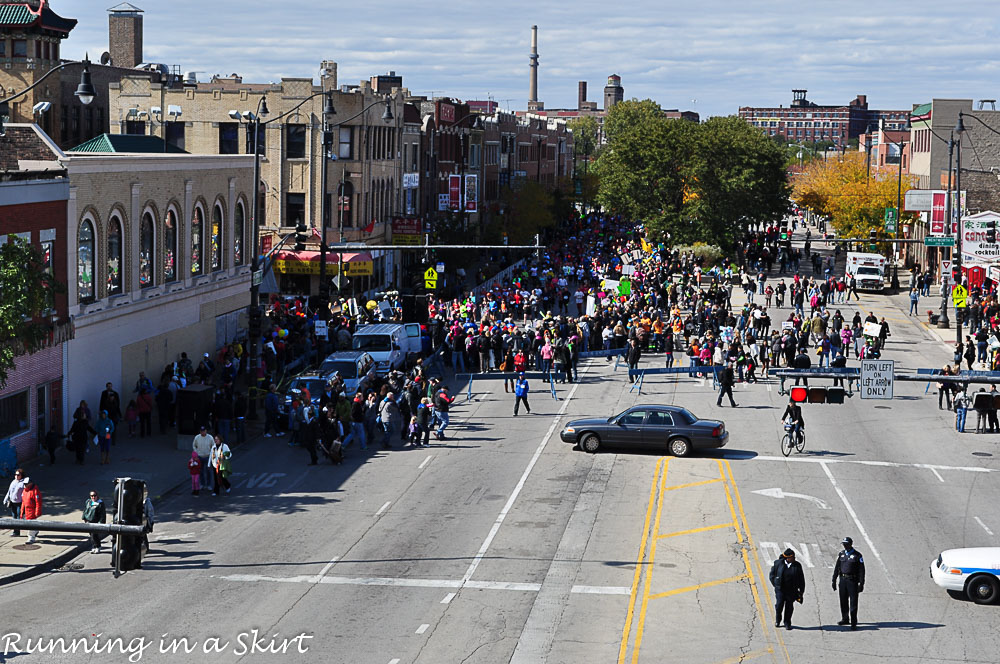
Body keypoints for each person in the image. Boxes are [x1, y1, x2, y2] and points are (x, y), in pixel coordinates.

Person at [832, 536, 865, 629]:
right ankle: (845, 618)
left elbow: (862, 570)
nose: (845, 546)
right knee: (843, 601)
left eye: (846, 544)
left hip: (852, 581)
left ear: (850, 544)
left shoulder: (858, 556)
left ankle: (854, 622)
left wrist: (861, 583)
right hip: (843, 580)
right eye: (844, 544)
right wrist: (834, 580)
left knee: (853, 602)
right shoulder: (841, 554)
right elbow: (837, 568)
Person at [769, 548, 806, 630]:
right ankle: (778, 620)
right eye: (792, 557)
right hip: (780, 590)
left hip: (791, 591)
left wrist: (801, 591)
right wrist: (776, 585)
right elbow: (772, 575)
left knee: (789, 607)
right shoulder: (778, 563)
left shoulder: (797, 565)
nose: (794, 558)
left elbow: (801, 579)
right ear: (787, 558)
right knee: (779, 605)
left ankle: (787, 623)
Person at [4, 468, 26, 537]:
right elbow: (9, 491)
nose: (16, 476)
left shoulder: (23, 483)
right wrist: (6, 499)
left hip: (20, 503)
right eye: (15, 474)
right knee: (14, 518)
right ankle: (16, 532)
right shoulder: (13, 482)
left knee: (20, 518)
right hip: (13, 503)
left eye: (18, 475)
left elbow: (26, 492)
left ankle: (33, 530)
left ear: (21, 475)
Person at [19, 477, 42, 544]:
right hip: (25, 511)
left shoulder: (35, 491)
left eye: (26, 484)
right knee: (27, 525)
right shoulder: (25, 490)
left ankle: (31, 538)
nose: (25, 485)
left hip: (32, 511)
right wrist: (21, 511)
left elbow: (38, 502)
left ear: (30, 483)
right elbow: (23, 501)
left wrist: (37, 511)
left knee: (31, 525)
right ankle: (36, 530)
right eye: (24, 484)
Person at [192, 425, 214, 490]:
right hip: (199, 457)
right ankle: (202, 484)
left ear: (206, 431)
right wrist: (196, 453)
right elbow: (194, 445)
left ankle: (209, 484)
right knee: (200, 471)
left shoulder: (210, 437)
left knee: (208, 471)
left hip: (207, 456)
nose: (202, 432)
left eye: (203, 431)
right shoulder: (197, 437)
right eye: (201, 431)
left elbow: (213, 446)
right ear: (200, 431)